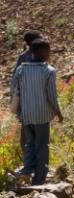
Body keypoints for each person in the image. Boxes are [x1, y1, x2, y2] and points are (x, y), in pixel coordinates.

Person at [10, 39, 60, 185]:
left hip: (26, 115)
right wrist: (59, 113)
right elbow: (52, 95)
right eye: (48, 50)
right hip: (42, 115)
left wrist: (19, 111)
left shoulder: (21, 70)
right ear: (42, 52)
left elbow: (14, 91)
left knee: (30, 144)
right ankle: (39, 179)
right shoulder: (48, 71)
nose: (49, 53)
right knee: (42, 146)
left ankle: (27, 171)